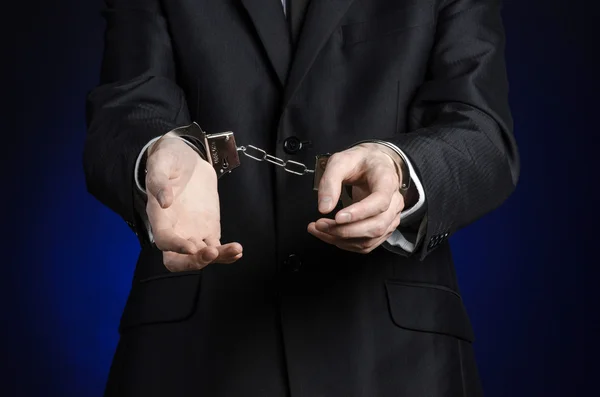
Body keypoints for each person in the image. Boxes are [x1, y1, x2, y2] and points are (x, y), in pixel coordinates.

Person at [83, 0, 519, 395]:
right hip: (196, 357)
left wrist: (402, 170)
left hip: (397, 361)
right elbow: (126, 107)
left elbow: (482, 132)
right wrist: (156, 153)